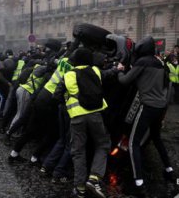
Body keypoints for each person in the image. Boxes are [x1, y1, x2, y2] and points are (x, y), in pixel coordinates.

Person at [54, 48, 118, 198]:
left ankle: (80, 188)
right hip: (96, 115)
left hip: (77, 118)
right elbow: (108, 74)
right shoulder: (95, 70)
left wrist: (68, 100)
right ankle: (94, 178)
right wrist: (117, 68)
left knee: (78, 151)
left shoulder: (68, 75)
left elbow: (56, 96)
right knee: (102, 145)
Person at [118, 37, 175, 197]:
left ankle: (139, 182)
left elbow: (124, 81)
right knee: (156, 138)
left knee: (132, 143)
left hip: (147, 107)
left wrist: (120, 70)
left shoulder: (142, 62)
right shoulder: (160, 63)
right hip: (159, 107)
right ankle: (169, 169)